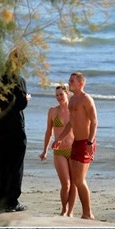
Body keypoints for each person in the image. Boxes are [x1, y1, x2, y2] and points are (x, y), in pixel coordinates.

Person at [0, 57, 29, 212]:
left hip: (0, 125)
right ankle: (12, 201)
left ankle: (0, 199)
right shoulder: (18, 80)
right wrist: (26, 98)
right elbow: (21, 103)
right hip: (15, 126)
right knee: (16, 164)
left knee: (2, 163)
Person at [65, 74, 98, 219]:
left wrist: (90, 142)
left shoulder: (86, 99)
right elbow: (71, 123)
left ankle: (88, 213)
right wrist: (59, 139)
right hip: (76, 143)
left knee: (79, 179)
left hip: (86, 142)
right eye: (69, 80)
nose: (69, 82)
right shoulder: (71, 99)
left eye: (72, 81)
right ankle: (85, 212)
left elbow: (94, 121)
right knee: (75, 179)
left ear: (81, 83)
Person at [40, 85, 75, 214]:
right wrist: (45, 150)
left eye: (61, 94)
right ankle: (63, 209)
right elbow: (48, 132)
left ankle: (70, 212)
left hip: (74, 150)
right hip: (59, 151)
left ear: (67, 94)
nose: (59, 97)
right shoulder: (52, 111)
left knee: (74, 184)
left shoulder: (74, 110)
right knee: (66, 184)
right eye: (57, 95)